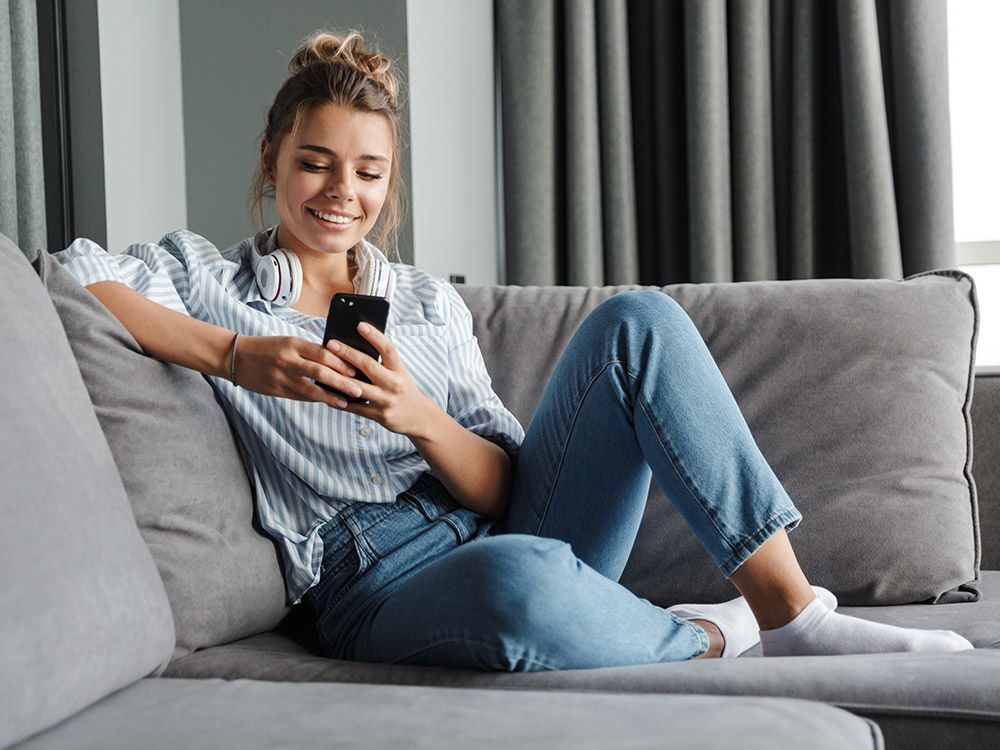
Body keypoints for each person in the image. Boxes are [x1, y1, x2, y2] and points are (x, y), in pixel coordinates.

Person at [55, 30, 973, 670]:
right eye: (314, 162)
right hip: (372, 577)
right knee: (519, 581)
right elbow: (77, 271)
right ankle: (709, 635)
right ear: (271, 159)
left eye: (368, 172)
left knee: (638, 322)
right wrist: (234, 356)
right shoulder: (207, 278)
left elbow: (502, 483)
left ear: (388, 181)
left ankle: (792, 612)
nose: (341, 191)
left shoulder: (421, 301)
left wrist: (419, 419)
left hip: (504, 521)